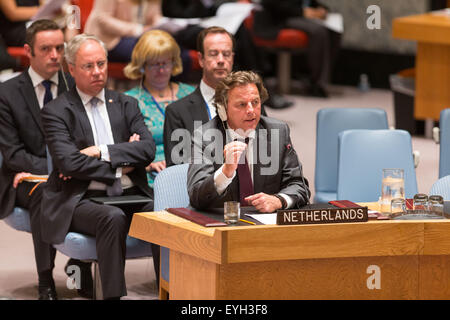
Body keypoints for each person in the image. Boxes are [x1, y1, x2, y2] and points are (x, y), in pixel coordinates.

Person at [40, 34, 159, 300]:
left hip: (130, 193)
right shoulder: (56, 111)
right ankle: (113, 297)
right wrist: (121, 165)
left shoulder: (127, 103)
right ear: (71, 69)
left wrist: (101, 151)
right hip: (80, 198)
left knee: (161, 212)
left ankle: (170, 290)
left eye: (101, 64)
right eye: (88, 66)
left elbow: (147, 149)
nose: (97, 72)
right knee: (111, 217)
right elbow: (69, 163)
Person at [0, 19, 92, 300]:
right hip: (25, 176)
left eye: (59, 48)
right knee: (46, 193)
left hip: (71, 169)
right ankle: (45, 278)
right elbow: (13, 153)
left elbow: (87, 140)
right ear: (28, 51)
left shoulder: (76, 85)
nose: (55, 55)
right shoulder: (7, 92)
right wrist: (56, 171)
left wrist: (69, 167)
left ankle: (81, 262)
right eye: (46, 49)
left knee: (95, 188)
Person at [187, 71, 310, 211]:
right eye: (242, 104)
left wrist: (279, 200)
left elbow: (300, 186)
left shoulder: (278, 131)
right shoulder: (204, 137)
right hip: (221, 224)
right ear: (223, 108)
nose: (251, 110)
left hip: (265, 225)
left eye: (255, 102)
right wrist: (225, 172)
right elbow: (196, 197)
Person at [164, 26, 271, 167]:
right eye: (214, 54)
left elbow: (268, 153)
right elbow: (178, 169)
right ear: (201, 59)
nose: (221, 60)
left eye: (226, 54)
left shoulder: (252, 105)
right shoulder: (177, 112)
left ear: (232, 58)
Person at [124, 30, 195, 187]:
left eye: (166, 63)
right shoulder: (129, 101)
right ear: (142, 65)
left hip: (192, 173)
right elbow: (124, 150)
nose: (162, 70)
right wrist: (149, 165)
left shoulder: (191, 95)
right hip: (153, 176)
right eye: (155, 64)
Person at [253, 0, 341, 98]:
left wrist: (321, 9)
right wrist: (303, 12)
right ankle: (316, 83)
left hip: (297, 15)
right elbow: (276, 5)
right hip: (278, 18)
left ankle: (322, 79)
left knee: (334, 31)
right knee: (318, 31)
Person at [84, 0, 164, 63]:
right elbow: (102, 19)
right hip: (109, 40)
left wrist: (160, 22)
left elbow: (154, 16)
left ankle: (170, 83)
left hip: (138, 37)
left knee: (167, 48)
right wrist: (138, 30)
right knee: (149, 52)